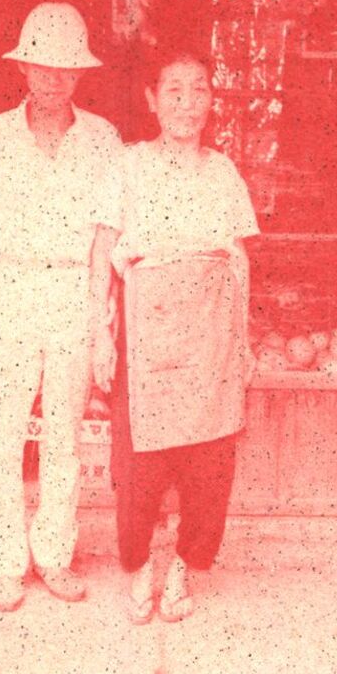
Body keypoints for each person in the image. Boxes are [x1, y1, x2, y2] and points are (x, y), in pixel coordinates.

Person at [0, 3, 123, 612]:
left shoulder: (102, 140)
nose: (53, 79)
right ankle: (6, 563)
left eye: (65, 68)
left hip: (72, 291)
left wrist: (100, 322)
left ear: (80, 74)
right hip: (8, 293)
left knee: (65, 436)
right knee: (6, 435)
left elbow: (106, 239)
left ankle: (55, 555)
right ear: (22, 67)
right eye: (42, 66)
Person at [106, 50, 259, 624]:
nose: (187, 103)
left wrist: (243, 340)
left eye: (199, 90)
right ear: (152, 99)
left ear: (211, 101)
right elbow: (103, 250)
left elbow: (238, 259)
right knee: (139, 464)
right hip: (147, 327)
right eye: (174, 90)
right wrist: (101, 333)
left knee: (210, 459)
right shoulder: (129, 165)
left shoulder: (223, 172)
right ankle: (140, 565)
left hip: (213, 330)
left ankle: (183, 567)